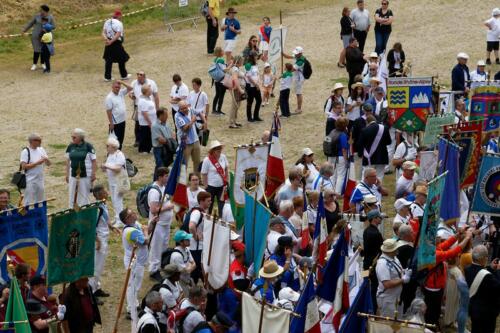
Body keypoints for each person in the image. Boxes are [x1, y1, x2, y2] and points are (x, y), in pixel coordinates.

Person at [423, 230, 472, 329]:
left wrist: (458, 234)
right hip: (433, 288)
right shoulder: (434, 253)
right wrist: (466, 238)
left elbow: (447, 243)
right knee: (432, 311)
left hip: (437, 287)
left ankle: (434, 324)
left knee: (436, 309)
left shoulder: (435, 248)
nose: (438, 237)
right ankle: (430, 327)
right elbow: (453, 252)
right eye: (436, 236)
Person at [119, 207, 149, 318]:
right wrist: (146, 231)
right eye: (132, 214)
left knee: (135, 284)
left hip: (139, 260)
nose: (135, 214)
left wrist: (151, 224)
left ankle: (134, 305)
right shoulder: (130, 232)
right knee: (133, 286)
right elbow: (145, 241)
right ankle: (131, 310)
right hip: (135, 261)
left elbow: (145, 229)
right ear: (127, 219)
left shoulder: (135, 223)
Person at [464, 245, 500, 333]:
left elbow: (480, 273)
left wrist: (490, 268)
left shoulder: (467, 269)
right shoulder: (488, 277)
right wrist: (498, 271)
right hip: (487, 314)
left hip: (474, 309)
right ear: (483, 258)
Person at [148, 167, 174, 281]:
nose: (168, 178)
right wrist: (167, 207)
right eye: (166, 176)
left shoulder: (164, 188)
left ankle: (161, 265)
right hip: (158, 224)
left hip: (165, 223)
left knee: (164, 245)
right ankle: (153, 270)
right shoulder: (154, 191)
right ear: (160, 177)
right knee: (156, 247)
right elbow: (154, 209)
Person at [89, 185, 115, 298]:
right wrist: (97, 241)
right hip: (99, 239)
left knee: (101, 265)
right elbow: (92, 226)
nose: (107, 193)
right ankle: (92, 292)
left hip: (104, 237)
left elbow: (104, 219)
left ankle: (97, 287)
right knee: (96, 266)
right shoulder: (96, 208)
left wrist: (111, 227)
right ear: (100, 195)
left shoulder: (103, 205)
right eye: (105, 191)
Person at [376, 239, 410, 317]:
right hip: (387, 299)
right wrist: (403, 280)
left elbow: (398, 271)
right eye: (395, 248)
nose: (397, 249)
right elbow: (387, 284)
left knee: (398, 321)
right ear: (390, 251)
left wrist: (405, 272)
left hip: (396, 297)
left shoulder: (394, 258)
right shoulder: (382, 264)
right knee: (389, 324)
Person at [65, 128, 97, 208]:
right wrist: (67, 174)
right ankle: (72, 212)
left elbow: (94, 161)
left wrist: (93, 173)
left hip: (85, 175)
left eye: (74, 137)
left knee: (84, 195)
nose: (72, 138)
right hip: (73, 175)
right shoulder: (70, 146)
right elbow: (67, 161)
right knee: (72, 194)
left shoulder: (88, 146)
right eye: (72, 137)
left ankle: (84, 212)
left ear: (80, 137)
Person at [357, 115, 391, 180]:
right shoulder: (385, 128)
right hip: (382, 156)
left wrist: (360, 154)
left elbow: (360, 144)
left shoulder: (364, 130)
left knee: (366, 176)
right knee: (379, 176)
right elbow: (389, 142)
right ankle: (377, 190)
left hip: (369, 156)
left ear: (367, 122)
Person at [23, 5, 56, 71]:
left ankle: (42, 63)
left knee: (43, 51)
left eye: (42, 10)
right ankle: (34, 64)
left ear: (46, 11)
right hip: (36, 36)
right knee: (36, 50)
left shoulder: (50, 17)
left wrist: (47, 26)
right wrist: (24, 30)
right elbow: (30, 23)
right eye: (40, 10)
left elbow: (54, 26)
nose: (40, 11)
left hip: (46, 37)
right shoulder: (37, 16)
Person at [20, 133, 50, 205]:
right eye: (39, 140)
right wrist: (37, 163)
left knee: (40, 200)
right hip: (29, 179)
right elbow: (23, 166)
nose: (41, 142)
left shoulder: (41, 149)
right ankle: (25, 214)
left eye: (41, 140)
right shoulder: (25, 151)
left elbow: (49, 164)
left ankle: (39, 214)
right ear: (32, 141)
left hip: (40, 179)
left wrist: (46, 159)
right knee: (27, 200)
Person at [131, 71, 160, 147]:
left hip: (150, 106)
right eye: (138, 78)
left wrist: (157, 108)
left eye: (140, 78)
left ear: (144, 76)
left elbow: (156, 96)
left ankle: (150, 140)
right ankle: (138, 140)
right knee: (138, 124)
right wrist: (131, 96)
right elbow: (131, 93)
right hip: (138, 106)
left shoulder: (152, 83)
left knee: (151, 123)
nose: (139, 80)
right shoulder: (134, 83)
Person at [363, 209, 384, 311]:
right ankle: (373, 309)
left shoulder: (366, 231)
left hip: (366, 264)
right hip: (374, 265)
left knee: (365, 285)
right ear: (374, 219)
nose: (381, 219)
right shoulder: (376, 234)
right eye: (379, 217)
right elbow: (381, 250)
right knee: (374, 287)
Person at [101, 137, 126, 223]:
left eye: (107, 146)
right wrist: (104, 168)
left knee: (118, 201)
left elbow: (117, 168)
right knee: (114, 200)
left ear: (113, 147)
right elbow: (109, 167)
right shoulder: (110, 155)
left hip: (118, 182)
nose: (106, 147)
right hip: (111, 182)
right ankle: (116, 217)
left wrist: (106, 166)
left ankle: (120, 220)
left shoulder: (119, 155)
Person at [189, 192, 212, 284]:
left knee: (200, 272)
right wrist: (196, 237)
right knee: (196, 273)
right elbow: (191, 226)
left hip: (200, 247)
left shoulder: (202, 212)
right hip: (196, 248)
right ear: (201, 201)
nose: (210, 202)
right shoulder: (196, 212)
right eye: (208, 201)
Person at [201, 140, 229, 213]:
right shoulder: (207, 160)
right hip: (211, 187)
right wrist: (206, 186)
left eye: (220, 149)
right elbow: (204, 174)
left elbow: (226, 169)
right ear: (213, 151)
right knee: (209, 206)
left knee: (222, 206)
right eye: (217, 150)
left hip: (222, 186)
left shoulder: (223, 157)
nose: (219, 151)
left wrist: (227, 181)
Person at [102, 10, 130, 82]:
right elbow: (118, 34)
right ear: (119, 16)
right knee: (122, 59)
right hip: (116, 43)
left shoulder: (107, 21)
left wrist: (107, 40)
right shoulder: (119, 23)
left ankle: (107, 77)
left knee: (108, 59)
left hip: (108, 42)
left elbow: (103, 32)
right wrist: (111, 41)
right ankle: (124, 75)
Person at [105, 80, 132, 149]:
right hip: (115, 122)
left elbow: (130, 88)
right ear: (112, 87)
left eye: (119, 87)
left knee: (121, 139)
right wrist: (111, 123)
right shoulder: (109, 97)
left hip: (122, 120)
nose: (117, 88)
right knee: (113, 141)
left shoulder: (121, 93)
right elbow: (109, 111)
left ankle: (118, 153)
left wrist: (122, 82)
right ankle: (111, 154)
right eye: (116, 87)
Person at [175, 100, 201, 173]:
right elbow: (185, 129)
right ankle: (182, 182)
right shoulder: (177, 116)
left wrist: (205, 122)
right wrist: (192, 121)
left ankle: (198, 178)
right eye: (182, 108)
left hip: (195, 140)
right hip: (185, 143)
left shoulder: (190, 110)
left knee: (197, 161)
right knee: (184, 163)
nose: (184, 110)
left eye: (185, 107)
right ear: (179, 109)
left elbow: (199, 113)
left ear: (187, 106)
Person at [170, 230, 197, 296]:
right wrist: (190, 266)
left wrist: (189, 267)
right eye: (186, 239)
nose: (189, 239)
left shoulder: (187, 249)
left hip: (187, 279)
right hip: (180, 283)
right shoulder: (177, 255)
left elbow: (194, 264)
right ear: (181, 242)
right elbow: (186, 271)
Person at [151, 107, 176, 176]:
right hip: (159, 150)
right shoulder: (155, 126)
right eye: (166, 115)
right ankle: (157, 183)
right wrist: (170, 139)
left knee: (163, 166)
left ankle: (156, 181)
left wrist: (169, 139)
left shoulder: (167, 123)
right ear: (160, 115)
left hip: (167, 148)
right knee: (161, 168)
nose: (167, 116)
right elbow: (161, 140)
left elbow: (173, 135)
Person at [282, 46, 307, 114]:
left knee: (299, 93)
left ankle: (299, 109)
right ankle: (299, 108)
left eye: (296, 53)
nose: (295, 54)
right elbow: (289, 56)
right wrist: (282, 54)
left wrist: (284, 72)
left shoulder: (300, 62)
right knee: (297, 92)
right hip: (297, 76)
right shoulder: (298, 56)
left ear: (300, 53)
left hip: (299, 78)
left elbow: (292, 70)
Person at [329, 117, 349, 194]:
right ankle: (337, 193)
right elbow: (344, 149)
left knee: (333, 174)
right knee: (341, 175)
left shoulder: (333, 131)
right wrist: (346, 160)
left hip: (332, 156)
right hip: (340, 157)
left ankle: (330, 191)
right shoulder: (343, 135)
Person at [188, 78, 209, 143]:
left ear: (199, 85)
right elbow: (189, 104)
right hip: (192, 117)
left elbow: (207, 105)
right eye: (193, 85)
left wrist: (206, 116)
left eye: (194, 85)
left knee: (200, 133)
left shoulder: (203, 94)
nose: (193, 86)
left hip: (200, 117)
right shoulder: (191, 93)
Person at [244, 52, 263, 122]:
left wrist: (258, 83)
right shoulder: (248, 65)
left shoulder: (256, 64)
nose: (257, 57)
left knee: (259, 100)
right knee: (250, 102)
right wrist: (255, 84)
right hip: (250, 87)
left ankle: (256, 116)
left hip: (256, 85)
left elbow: (257, 75)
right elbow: (249, 77)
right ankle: (249, 117)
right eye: (255, 56)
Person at [228, 55, 245, 128]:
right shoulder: (235, 69)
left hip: (238, 89)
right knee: (234, 105)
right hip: (237, 89)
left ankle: (234, 120)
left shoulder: (236, 68)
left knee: (237, 105)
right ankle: (232, 122)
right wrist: (240, 89)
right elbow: (235, 79)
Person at [212, 47, 228, 116]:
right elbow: (224, 70)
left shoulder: (215, 59)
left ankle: (214, 110)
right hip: (221, 80)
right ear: (219, 52)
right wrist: (230, 65)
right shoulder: (221, 60)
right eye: (222, 50)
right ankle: (219, 110)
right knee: (221, 95)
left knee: (217, 95)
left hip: (216, 79)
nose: (223, 51)